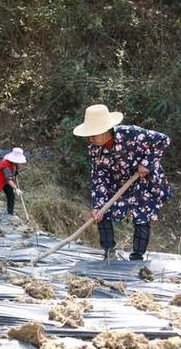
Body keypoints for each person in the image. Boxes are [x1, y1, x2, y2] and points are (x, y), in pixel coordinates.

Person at [73, 104, 171, 260]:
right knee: (101, 213)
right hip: (118, 184)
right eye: (89, 135)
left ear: (106, 130)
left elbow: (163, 140)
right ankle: (109, 251)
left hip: (143, 181)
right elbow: (99, 176)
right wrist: (98, 204)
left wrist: (146, 163)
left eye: (94, 134)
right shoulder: (95, 149)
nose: (90, 138)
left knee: (142, 216)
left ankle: (137, 257)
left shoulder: (130, 133)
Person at [0, 147, 26, 215]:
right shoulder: (6, 165)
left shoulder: (15, 164)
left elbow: (12, 174)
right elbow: (9, 179)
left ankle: (10, 213)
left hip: (5, 181)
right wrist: (16, 188)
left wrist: (16, 172)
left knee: (11, 195)